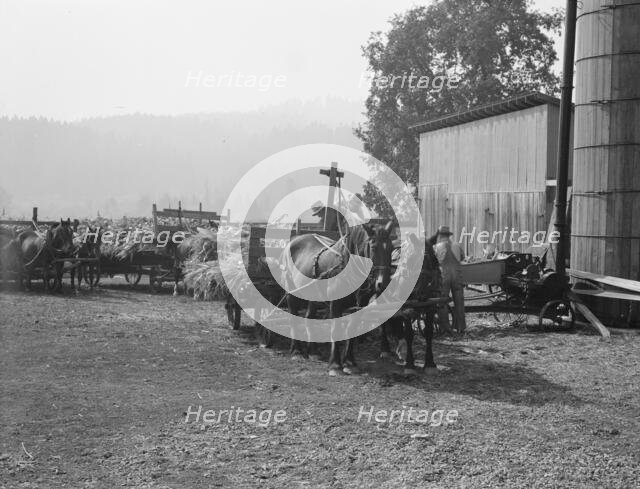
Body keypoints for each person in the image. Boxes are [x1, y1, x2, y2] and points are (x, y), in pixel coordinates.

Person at [427, 225, 467, 334]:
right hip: (457, 276)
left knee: (442, 301)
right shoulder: (457, 246)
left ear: (439, 236)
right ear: (449, 236)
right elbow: (462, 257)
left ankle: (446, 327)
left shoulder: (436, 247)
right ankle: (461, 327)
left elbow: (432, 261)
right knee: (459, 301)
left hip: (444, 276)